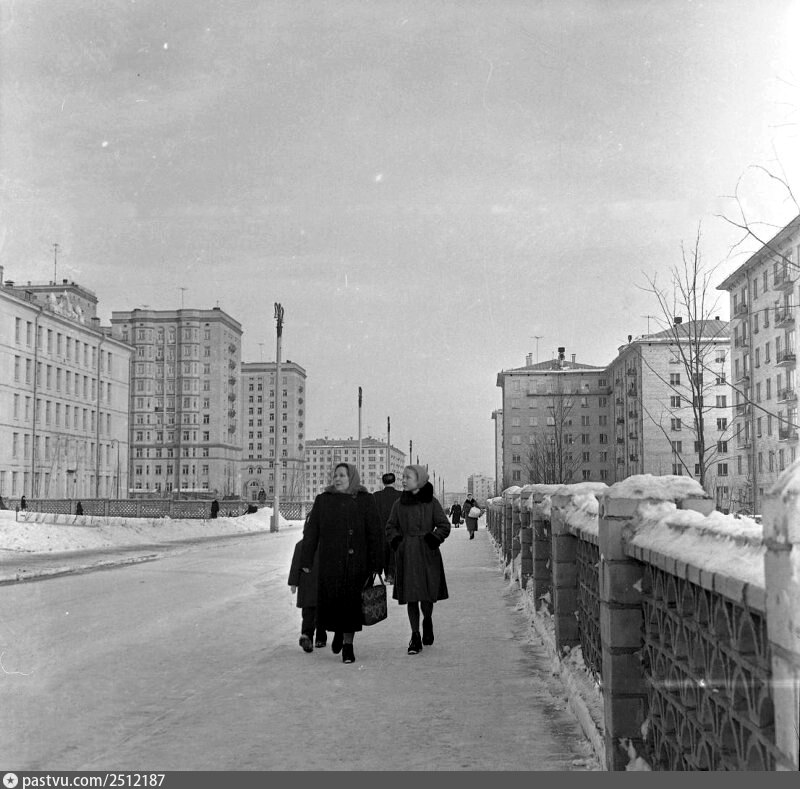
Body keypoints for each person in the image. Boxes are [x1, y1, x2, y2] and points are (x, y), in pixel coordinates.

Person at [300, 463, 383, 665]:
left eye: (342, 475)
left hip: (356, 563)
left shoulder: (365, 500)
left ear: (351, 477)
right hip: (330, 562)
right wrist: (306, 559)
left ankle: (348, 645)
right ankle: (338, 631)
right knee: (334, 603)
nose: (337, 479)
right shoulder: (324, 500)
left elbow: (375, 533)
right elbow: (312, 531)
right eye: (335, 475)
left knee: (351, 606)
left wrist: (376, 563)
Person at [386, 464, 450, 655]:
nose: (403, 480)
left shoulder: (432, 503)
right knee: (411, 597)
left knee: (426, 595)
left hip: (427, 554)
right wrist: (397, 541)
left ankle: (427, 620)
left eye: (408, 477)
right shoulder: (399, 504)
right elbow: (390, 526)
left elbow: (444, 525)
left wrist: (433, 538)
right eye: (403, 477)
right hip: (407, 554)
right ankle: (415, 635)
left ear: (419, 480)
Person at [288, 529, 326, 652]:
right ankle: (320, 638)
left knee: (309, 614)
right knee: (321, 613)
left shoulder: (301, 545)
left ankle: (307, 635)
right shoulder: (325, 544)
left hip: (307, 586)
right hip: (321, 586)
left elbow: (295, 566)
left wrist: (294, 582)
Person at [373, 472, 402, 584]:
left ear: (383, 482)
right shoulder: (401, 495)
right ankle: (392, 574)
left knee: (384, 552)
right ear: (394, 481)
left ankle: (387, 574)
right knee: (394, 551)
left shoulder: (376, 496)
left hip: (382, 530)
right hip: (397, 529)